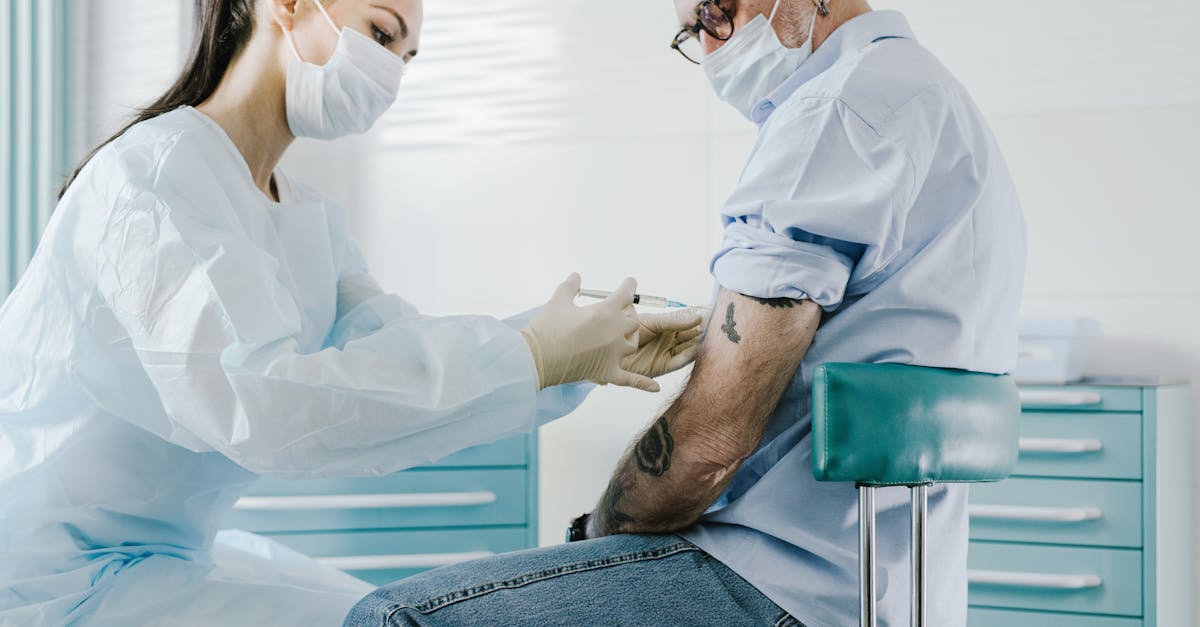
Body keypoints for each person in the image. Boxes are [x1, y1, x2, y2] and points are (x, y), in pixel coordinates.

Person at [0, 0, 704, 625]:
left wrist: (571, 349)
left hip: (161, 560)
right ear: (287, 5)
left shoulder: (304, 217)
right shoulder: (154, 177)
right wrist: (532, 354)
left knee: (387, 612)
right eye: (382, 33)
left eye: (407, 55)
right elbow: (261, 403)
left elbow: (394, 342)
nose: (393, 72)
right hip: (48, 578)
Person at [345, 0, 1027, 625]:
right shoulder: (933, 98)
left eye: (716, 12)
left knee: (390, 617)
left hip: (781, 584)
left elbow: (706, 445)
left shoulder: (833, 114)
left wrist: (592, 539)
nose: (710, 46)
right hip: (900, 588)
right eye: (693, 31)